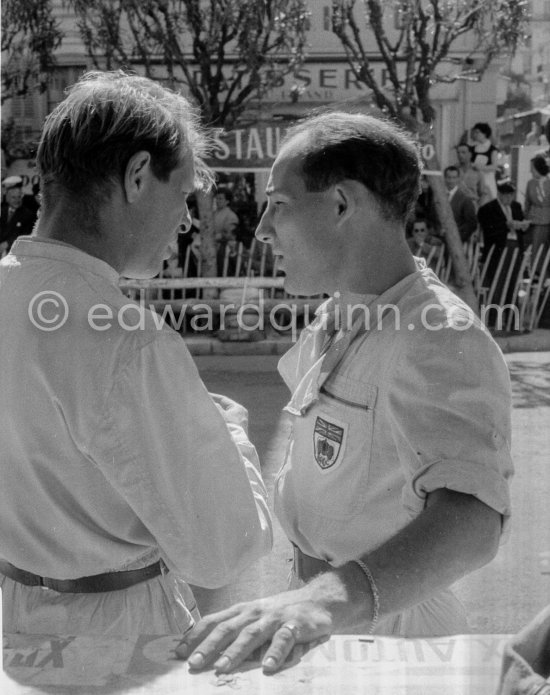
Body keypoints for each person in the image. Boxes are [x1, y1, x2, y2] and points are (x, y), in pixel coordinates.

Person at [177, 111, 513, 675]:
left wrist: (323, 601)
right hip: (323, 627)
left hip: (395, 642)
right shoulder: (341, 315)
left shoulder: (436, 334)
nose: (261, 229)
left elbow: (473, 522)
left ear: (340, 204)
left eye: (278, 205)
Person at [0, 70, 272, 636]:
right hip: (119, 641)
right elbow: (223, 548)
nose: (186, 219)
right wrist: (232, 432)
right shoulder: (127, 339)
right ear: (139, 176)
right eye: (185, 194)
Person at [0, 175, 38, 254]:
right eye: (13, 197)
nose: (17, 200)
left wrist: (7, 243)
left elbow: (26, 235)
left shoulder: (28, 215)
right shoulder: (2, 211)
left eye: (19, 197)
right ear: (7, 197)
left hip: (14, 253)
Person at [523, 154, 550, 261]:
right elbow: (527, 202)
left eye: (532, 168)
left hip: (547, 219)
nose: (531, 171)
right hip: (534, 220)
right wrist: (526, 218)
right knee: (536, 249)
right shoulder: (530, 183)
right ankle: (536, 273)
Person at [444, 165, 478, 243]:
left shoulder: (465, 199)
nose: (451, 181)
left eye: (454, 177)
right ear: (445, 178)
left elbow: (471, 223)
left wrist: (457, 235)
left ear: (458, 179)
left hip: (457, 239)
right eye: (449, 177)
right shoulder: (439, 196)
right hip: (438, 238)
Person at [455, 142, 491, 209]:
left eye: (463, 152)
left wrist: (478, 206)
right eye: (458, 152)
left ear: (470, 154)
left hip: (472, 206)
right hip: (456, 206)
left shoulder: (477, 171)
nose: (460, 155)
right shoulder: (454, 170)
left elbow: (483, 193)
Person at [470, 122, 500, 200]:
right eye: (474, 132)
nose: (475, 134)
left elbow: (494, 166)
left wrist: (481, 167)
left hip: (488, 179)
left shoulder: (492, 149)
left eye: (477, 132)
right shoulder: (473, 148)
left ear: (485, 133)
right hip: (475, 179)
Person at [214, 188, 239, 275]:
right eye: (216, 198)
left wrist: (217, 236)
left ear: (227, 201)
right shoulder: (213, 213)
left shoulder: (231, 216)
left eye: (220, 198)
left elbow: (230, 234)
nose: (217, 201)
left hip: (224, 249)